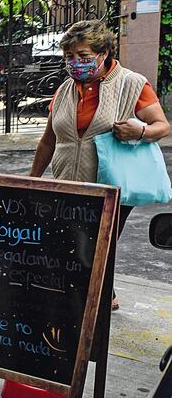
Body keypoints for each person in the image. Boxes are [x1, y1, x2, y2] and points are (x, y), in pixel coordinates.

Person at [29, 20, 170, 312]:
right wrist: (32, 180)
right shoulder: (65, 90)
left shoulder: (132, 83)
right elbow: (48, 141)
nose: (75, 62)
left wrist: (140, 131)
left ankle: (94, 304)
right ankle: (101, 296)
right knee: (75, 243)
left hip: (111, 185)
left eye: (83, 56)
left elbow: (162, 127)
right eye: (69, 56)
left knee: (94, 246)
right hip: (69, 180)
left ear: (104, 52)